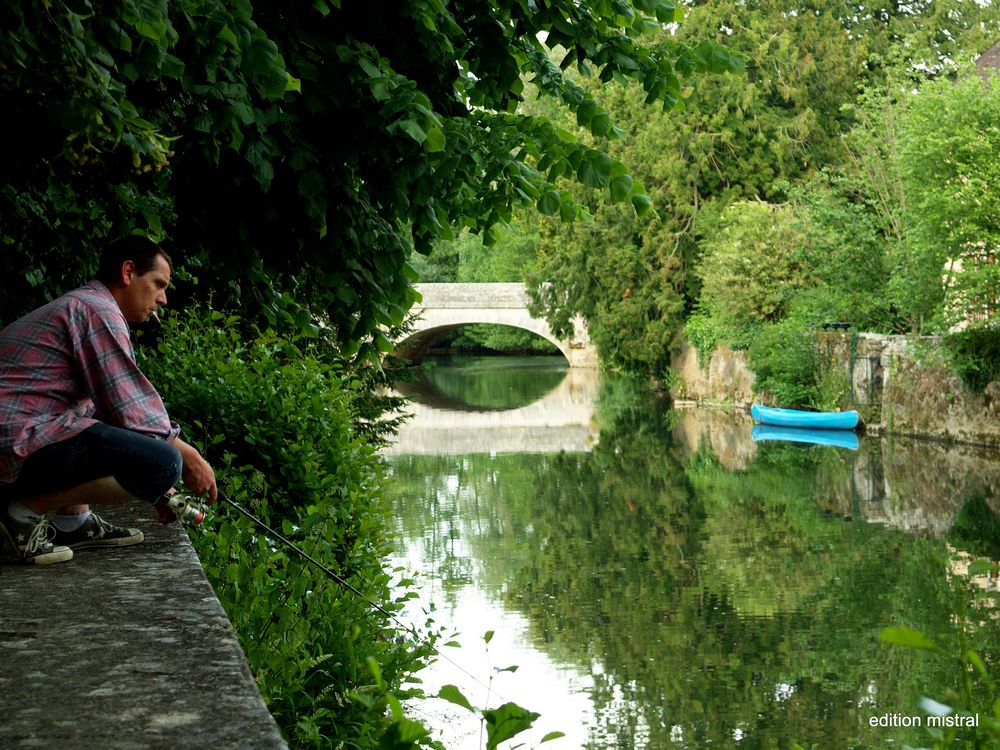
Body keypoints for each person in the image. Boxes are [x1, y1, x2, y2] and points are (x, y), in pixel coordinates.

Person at [0, 236, 217, 565]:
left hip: (16, 436)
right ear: (129, 272)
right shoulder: (97, 310)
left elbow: (103, 414)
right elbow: (130, 411)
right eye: (158, 284)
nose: (163, 299)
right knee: (164, 463)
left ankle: (73, 521)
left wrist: (155, 490)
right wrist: (189, 456)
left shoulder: (84, 304)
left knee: (131, 448)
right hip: (12, 441)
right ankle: (23, 514)